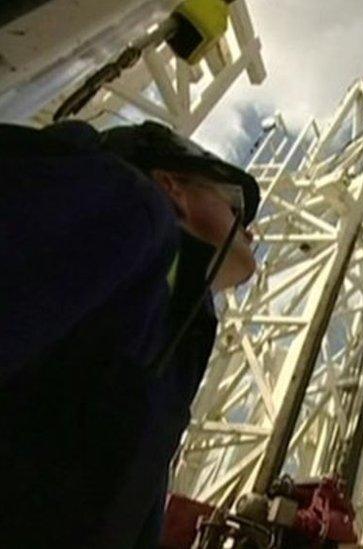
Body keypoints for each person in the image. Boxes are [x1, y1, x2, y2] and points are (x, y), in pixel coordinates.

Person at [0, 119, 261, 547]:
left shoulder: (177, 339)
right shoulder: (126, 205)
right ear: (172, 187)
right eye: (236, 208)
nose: (251, 231)